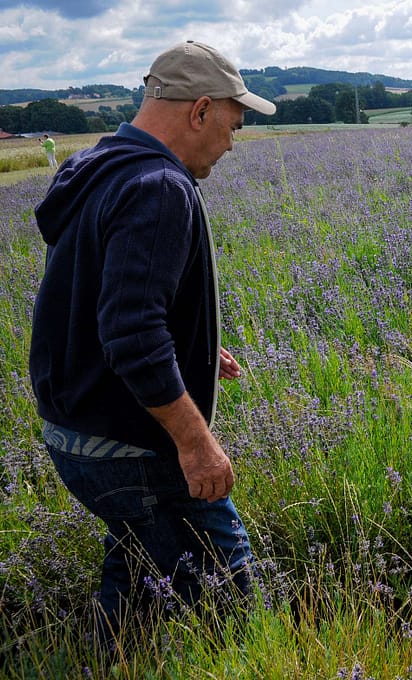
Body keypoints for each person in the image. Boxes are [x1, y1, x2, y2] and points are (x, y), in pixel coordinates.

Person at [29, 41, 276, 651]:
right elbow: (133, 334)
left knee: (139, 578)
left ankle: (100, 660)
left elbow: (104, 293)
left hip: (76, 433)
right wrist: (196, 445)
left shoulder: (100, 164)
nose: (230, 144)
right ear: (198, 112)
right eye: (231, 124)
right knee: (230, 597)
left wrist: (191, 350)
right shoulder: (158, 185)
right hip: (131, 447)